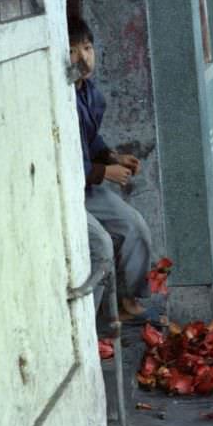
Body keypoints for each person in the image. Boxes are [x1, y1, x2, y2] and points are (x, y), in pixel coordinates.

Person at [68, 17, 161, 326]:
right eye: (72, 51)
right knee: (100, 246)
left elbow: (90, 140)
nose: (83, 58)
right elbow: (61, 162)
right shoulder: (58, 98)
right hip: (65, 191)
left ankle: (127, 301)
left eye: (87, 47)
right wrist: (105, 173)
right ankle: (87, 327)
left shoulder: (91, 94)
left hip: (88, 185)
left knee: (134, 227)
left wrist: (113, 156)